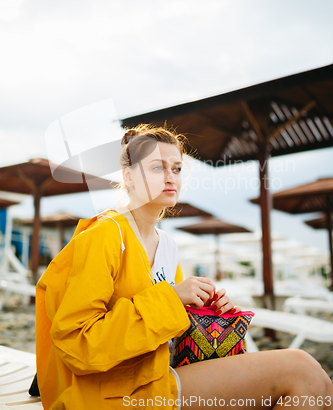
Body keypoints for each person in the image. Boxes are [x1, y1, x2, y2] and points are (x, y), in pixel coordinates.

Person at [35, 124, 333, 410]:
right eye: (157, 167)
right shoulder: (104, 236)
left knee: (321, 384)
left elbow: (171, 330)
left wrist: (209, 312)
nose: (170, 177)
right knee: (301, 370)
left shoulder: (167, 246)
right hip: (113, 392)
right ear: (129, 176)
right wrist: (171, 298)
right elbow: (78, 345)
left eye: (176, 168)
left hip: (158, 376)